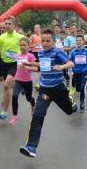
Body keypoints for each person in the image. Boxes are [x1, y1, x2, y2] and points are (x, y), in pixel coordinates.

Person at [19, 29, 76, 158]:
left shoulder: (58, 52)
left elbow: (70, 63)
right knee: (37, 115)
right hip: (45, 89)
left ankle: (71, 100)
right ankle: (31, 147)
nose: (44, 43)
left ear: (53, 41)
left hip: (58, 88)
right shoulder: (41, 53)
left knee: (69, 111)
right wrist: (29, 65)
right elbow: (42, 66)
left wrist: (61, 67)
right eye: (43, 41)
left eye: (47, 41)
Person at [0, 16, 24, 120]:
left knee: (6, 85)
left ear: (14, 25)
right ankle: (8, 97)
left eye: (9, 24)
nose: (7, 25)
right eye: (5, 24)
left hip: (15, 64)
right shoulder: (1, 37)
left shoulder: (20, 37)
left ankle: (4, 112)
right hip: (3, 63)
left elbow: (26, 48)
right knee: (7, 86)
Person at [10, 37, 37, 125]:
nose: (22, 47)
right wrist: (14, 78)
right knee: (14, 96)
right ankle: (15, 116)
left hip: (27, 81)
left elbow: (36, 68)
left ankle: (33, 104)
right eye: (21, 45)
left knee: (28, 98)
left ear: (28, 46)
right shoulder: (18, 56)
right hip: (18, 80)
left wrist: (27, 67)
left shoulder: (30, 56)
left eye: (24, 45)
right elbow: (17, 68)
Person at [70, 35, 87, 112]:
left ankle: (82, 103)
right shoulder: (73, 52)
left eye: (80, 40)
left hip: (84, 72)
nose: (78, 42)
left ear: (83, 41)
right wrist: (70, 70)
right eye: (77, 40)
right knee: (77, 89)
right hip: (76, 72)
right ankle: (80, 94)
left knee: (82, 88)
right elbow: (70, 62)